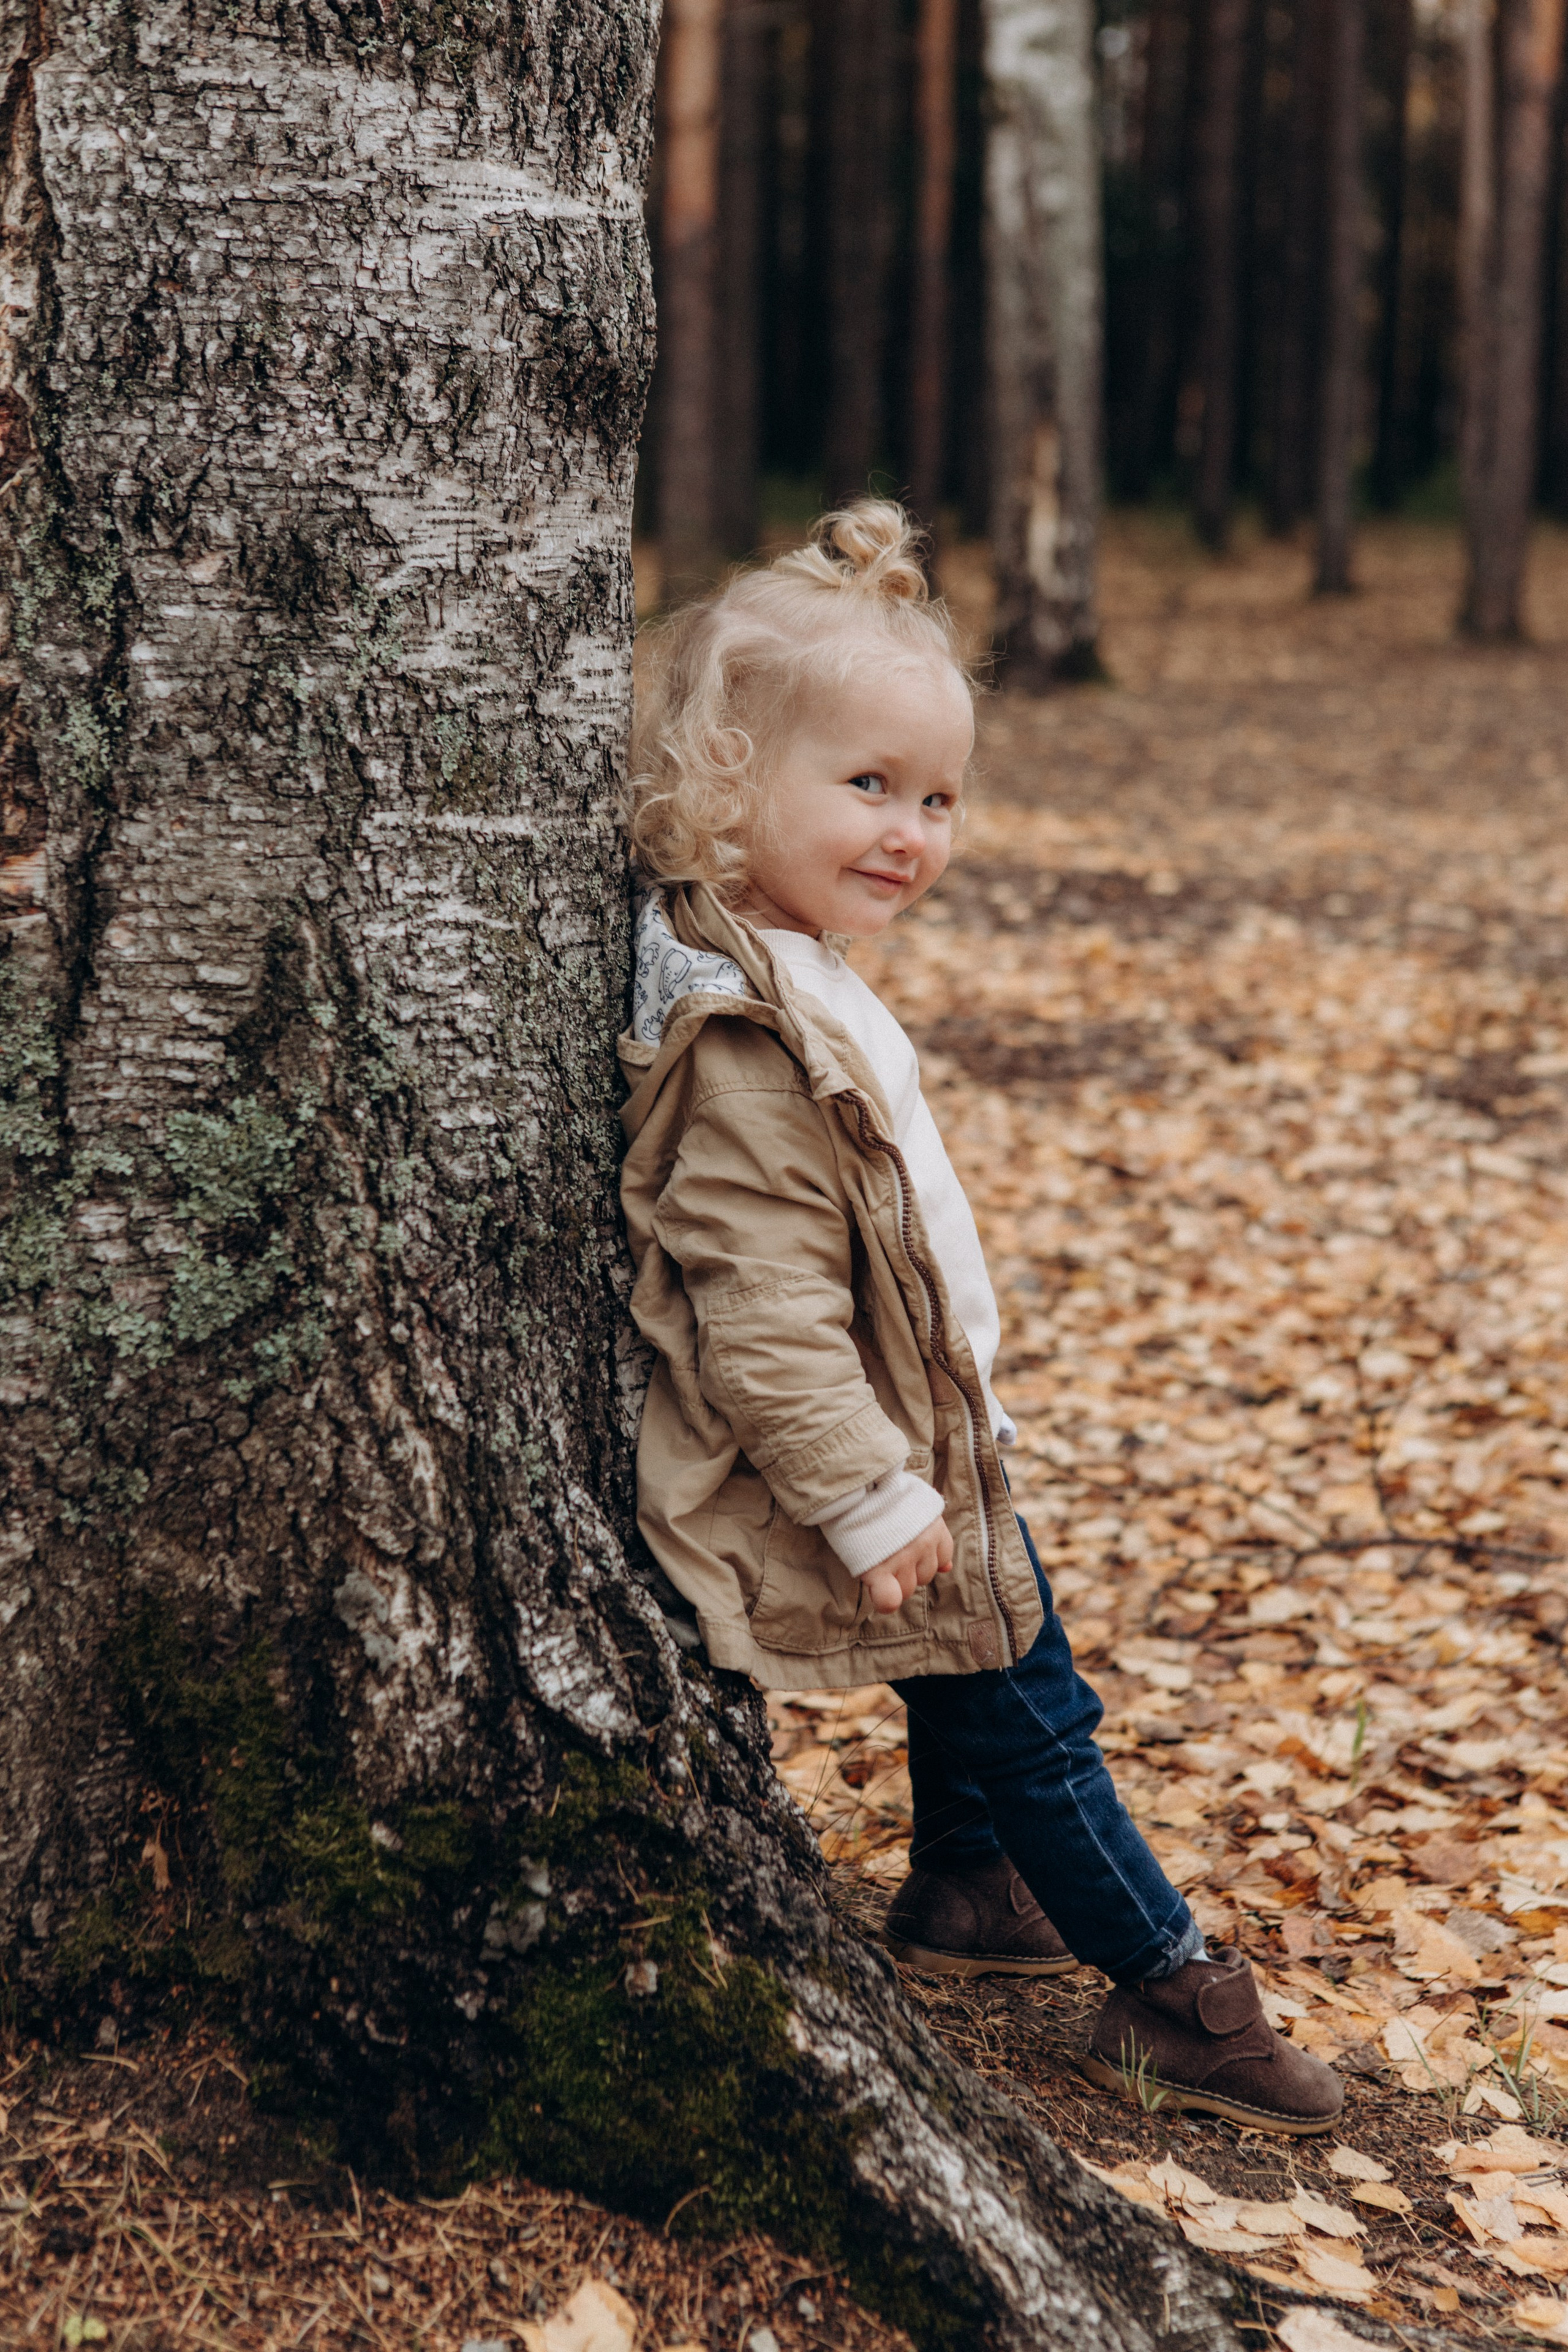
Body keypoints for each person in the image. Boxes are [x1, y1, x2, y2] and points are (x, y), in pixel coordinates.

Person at [616, 500, 1341, 2135]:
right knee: (1034, 1712)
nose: (911, 834)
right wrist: (868, 1488)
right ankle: (1172, 1991)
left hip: (930, 1432)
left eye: (937, 799)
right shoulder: (738, 1029)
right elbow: (763, 1301)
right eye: (865, 787)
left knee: (976, 1679)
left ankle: (962, 1894)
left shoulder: (805, 971)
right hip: (873, 1453)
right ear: (731, 780)